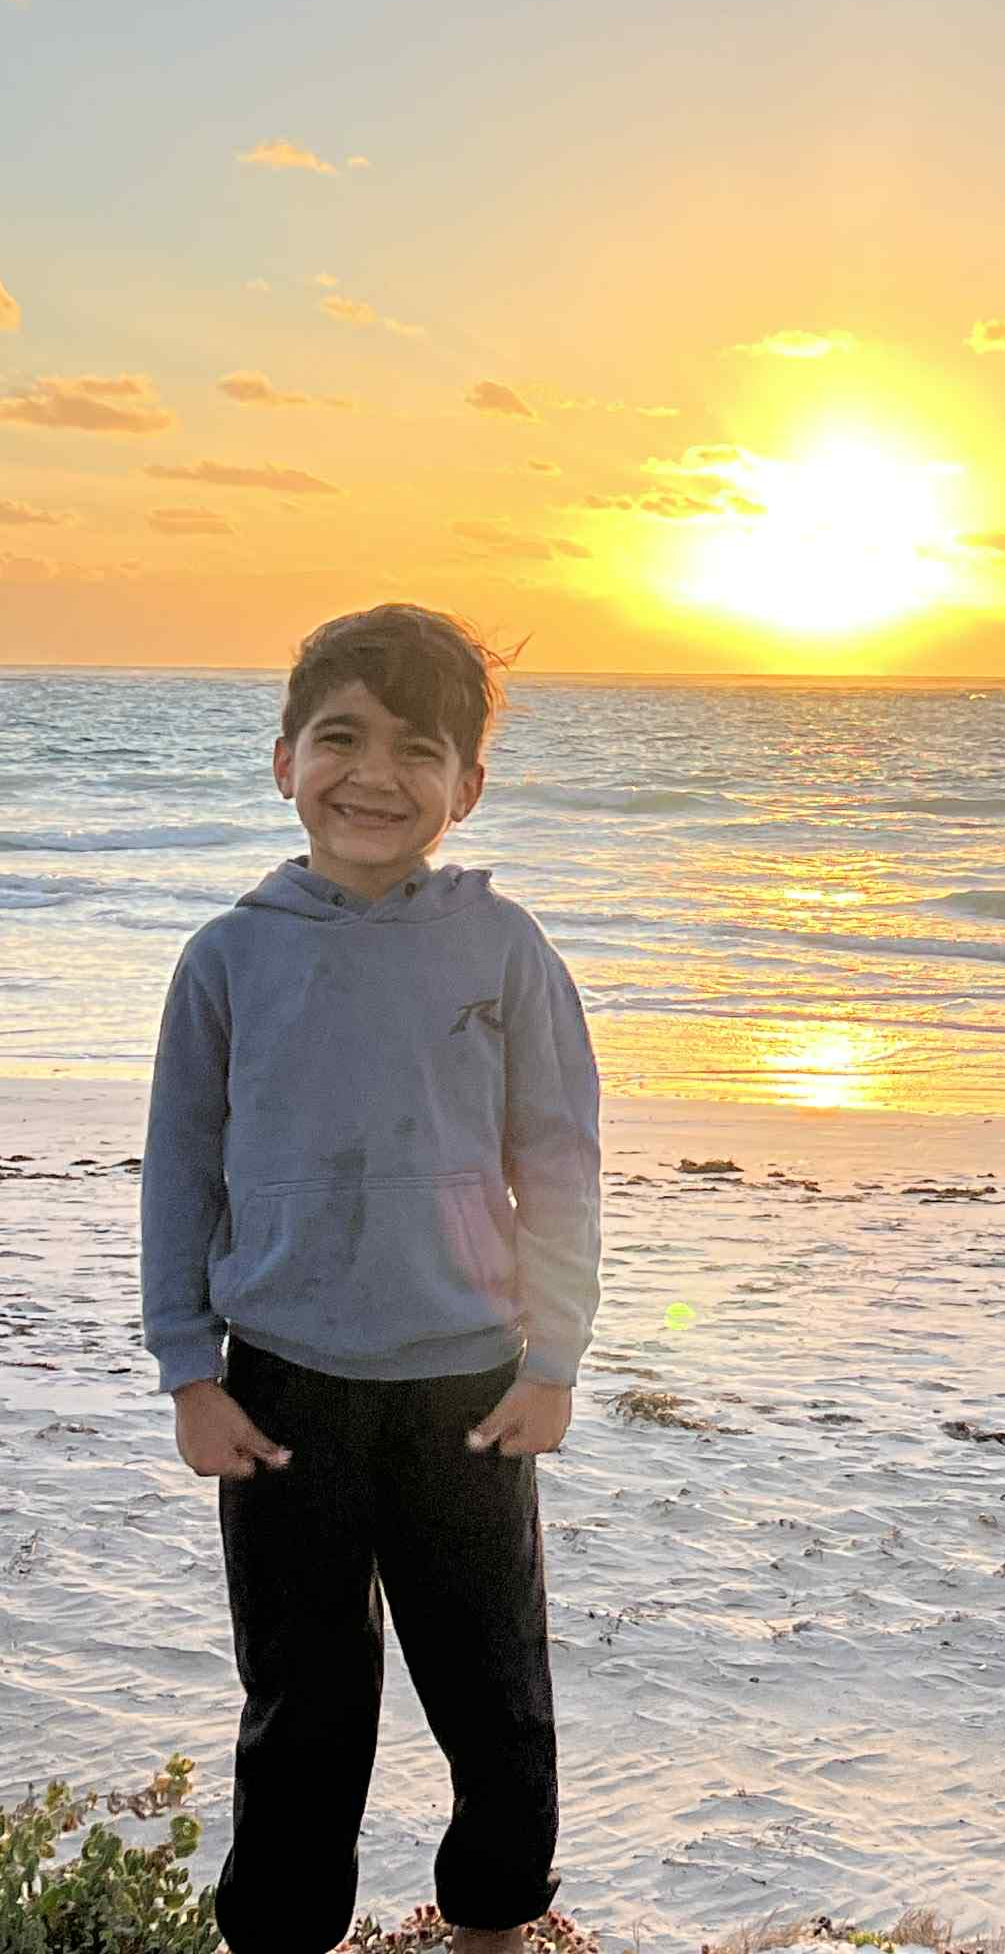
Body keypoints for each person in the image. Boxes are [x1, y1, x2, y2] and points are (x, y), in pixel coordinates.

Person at [138, 602, 602, 1954]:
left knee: (496, 1696)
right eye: (341, 738)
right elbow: (181, 1172)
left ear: (469, 784)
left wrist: (554, 1359)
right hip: (280, 1396)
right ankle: (282, 1934)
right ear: (285, 758)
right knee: (302, 1706)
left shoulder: (504, 951)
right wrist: (188, 1367)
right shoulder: (228, 958)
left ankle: (495, 1928)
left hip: (469, 1386)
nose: (376, 778)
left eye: (420, 750)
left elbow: (560, 1159)